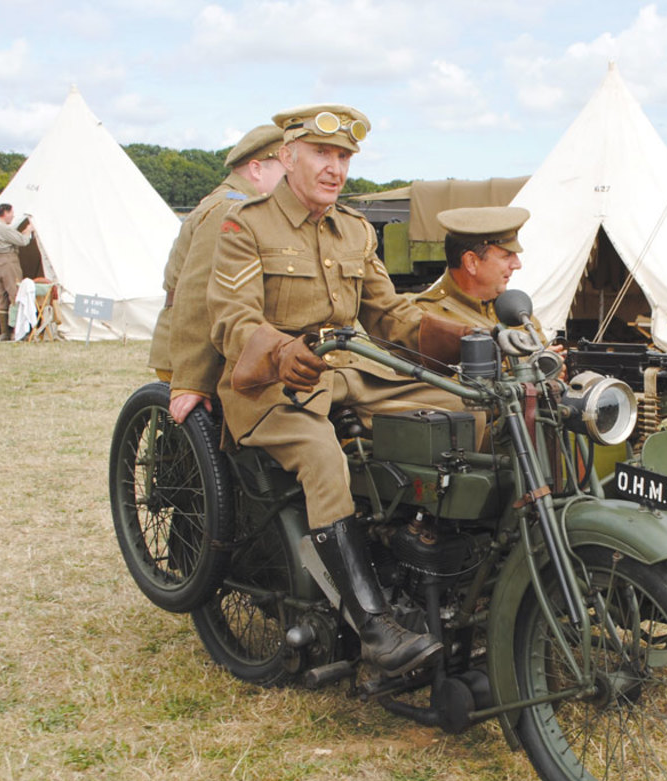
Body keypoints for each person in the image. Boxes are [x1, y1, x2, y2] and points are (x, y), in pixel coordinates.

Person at [207, 104, 470, 677]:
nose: (335, 168)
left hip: (349, 376)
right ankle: (375, 628)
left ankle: (449, 563)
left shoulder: (354, 229)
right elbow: (233, 321)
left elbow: (392, 317)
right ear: (287, 157)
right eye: (322, 154)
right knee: (324, 457)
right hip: (273, 388)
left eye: (344, 157)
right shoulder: (244, 225)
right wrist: (280, 352)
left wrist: (469, 339)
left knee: (462, 410)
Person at [151, 125, 288, 424]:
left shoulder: (231, 203)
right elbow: (199, 292)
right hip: (195, 350)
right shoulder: (230, 210)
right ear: (256, 169)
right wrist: (193, 379)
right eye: (284, 170)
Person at [411, 206, 546, 338]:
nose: (517, 265)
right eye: (507, 256)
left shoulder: (515, 310)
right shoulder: (426, 320)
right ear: (471, 262)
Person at [0, 204, 35, 340]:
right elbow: (23, 241)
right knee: (16, 296)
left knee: (2, 299)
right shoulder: (3, 228)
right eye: (11, 213)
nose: (13, 216)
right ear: (5, 213)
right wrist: (28, 230)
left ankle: (4, 332)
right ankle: (18, 331)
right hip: (8, 263)